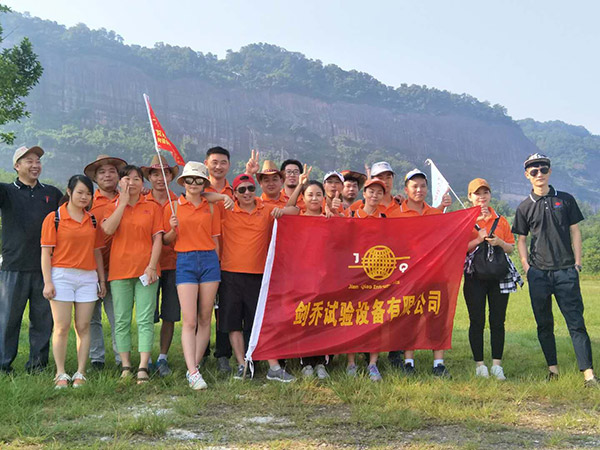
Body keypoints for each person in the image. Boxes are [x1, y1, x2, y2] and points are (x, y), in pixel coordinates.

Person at [512, 153, 598, 387]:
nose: (539, 174)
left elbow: (575, 231)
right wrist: (527, 267)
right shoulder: (524, 207)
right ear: (527, 175)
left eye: (543, 169)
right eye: (534, 171)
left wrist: (577, 263)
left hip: (566, 271)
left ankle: (589, 374)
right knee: (544, 324)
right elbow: (521, 239)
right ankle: (553, 370)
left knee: (576, 323)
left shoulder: (565, 199)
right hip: (538, 273)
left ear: (549, 171)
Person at [220, 173, 298, 382]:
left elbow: (295, 211)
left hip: (258, 275)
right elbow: (204, 195)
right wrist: (222, 197)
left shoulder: (265, 208)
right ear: (234, 193)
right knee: (233, 323)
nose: (247, 193)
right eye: (241, 190)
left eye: (250, 188)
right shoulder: (226, 209)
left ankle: (273, 367)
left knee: (261, 322)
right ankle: (242, 365)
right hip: (230, 273)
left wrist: (281, 211)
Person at [0, 146, 62, 374]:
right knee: (8, 320)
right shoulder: (6, 191)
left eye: (38, 161)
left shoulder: (52, 193)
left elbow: (75, 206)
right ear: (17, 166)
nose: (35, 165)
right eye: (29, 161)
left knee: (43, 321)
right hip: (13, 266)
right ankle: (3, 364)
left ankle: (37, 365)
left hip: (44, 268)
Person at [41, 175, 106, 388]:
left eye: (88, 193)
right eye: (80, 192)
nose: (84, 197)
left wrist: (102, 280)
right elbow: (45, 253)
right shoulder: (54, 218)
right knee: (62, 326)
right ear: (69, 192)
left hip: (87, 277)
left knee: (83, 326)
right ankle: (60, 373)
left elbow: (97, 252)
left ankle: (80, 372)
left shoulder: (92, 220)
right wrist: (48, 282)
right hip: (62, 276)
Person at [102, 165, 164, 384]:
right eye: (127, 178)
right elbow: (108, 229)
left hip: (147, 271)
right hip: (119, 271)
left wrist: (152, 266)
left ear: (142, 183)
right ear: (120, 182)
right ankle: (125, 365)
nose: (132, 182)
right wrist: (122, 202)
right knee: (121, 319)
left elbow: (158, 238)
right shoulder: (111, 206)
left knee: (145, 319)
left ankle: (143, 366)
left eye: (136, 179)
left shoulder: (152, 207)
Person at [163, 161, 221, 390]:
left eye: (199, 180)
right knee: (189, 320)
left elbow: (215, 238)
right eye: (189, 179)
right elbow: (167, 241)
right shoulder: (173, 207)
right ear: (183, 182)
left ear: (204, 183)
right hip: (185, 260)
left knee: (205, 317)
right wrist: (172, 228)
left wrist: (218, 263)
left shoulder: (211, 207)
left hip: (209, 260)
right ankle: (194, 371)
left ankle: (192, 369)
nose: (194, 184)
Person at [397, 169, 451, 377]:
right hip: (408, 276)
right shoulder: (396, 214)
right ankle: (408, 362)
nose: (419, 190)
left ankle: (439, 363)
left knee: (437, 317)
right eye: (414, 186)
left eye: (422, 186)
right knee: (409, 317)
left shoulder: (435, 214)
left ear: (427, 189)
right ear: (406, 189)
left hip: (436, 274)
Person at [463, 178, 515, 380]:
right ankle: (480, 365)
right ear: (470, 197)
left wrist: (499, 241)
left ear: (490, 195)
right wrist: (478, 238)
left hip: (498, 276)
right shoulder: (465, 220)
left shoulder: (501, 220)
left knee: (498, 321)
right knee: (477, 320)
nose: (482, 197)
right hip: (474, 277)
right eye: (477, 193)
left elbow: (510, 248)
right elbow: (459, 248)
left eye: (485, 192)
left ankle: (496, 365)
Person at [84, 154, 127, 370]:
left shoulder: (128, 198)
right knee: (91, 317)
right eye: (101, 172)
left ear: (119, 175)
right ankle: (96, 359)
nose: (107, 175)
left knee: (117, 316)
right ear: (95, 178)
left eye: (112, 171)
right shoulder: (87, 201)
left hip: (119, 268)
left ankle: (121, 359)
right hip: (90, 268)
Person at [344, 179, 388, 381]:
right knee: (352, 317)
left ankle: (372, 364)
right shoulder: (352, 215)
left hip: (377, 275)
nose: (374, 195)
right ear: (364, 193)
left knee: (375, 317)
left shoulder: (385, 218)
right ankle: (351, 362)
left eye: (379, 192)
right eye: (371, 191)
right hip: (354, 273)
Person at [142, 155, 179, 377]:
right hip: (148, 264)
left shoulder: (178, 202)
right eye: (155, 174)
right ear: (149, 177)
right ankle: (144, 358)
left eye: (164, 173)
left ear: (171, 176)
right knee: (147, 313)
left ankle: (163, 357)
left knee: (170, 313)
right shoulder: (142, 201)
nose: (160, 178)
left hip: (173, 264)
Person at [204, 146, 235, 374]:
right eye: (214, 162)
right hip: (203, 257)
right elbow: (198, 197)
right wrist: (221, 197)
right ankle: (201, 353)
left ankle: (223, 355)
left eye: (223, 162)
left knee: (224, 309)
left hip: (230, 257)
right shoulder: (197, 187)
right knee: (202, 309)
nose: (218, 166)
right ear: (206, 163)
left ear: (229, 165)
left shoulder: (236, 191)